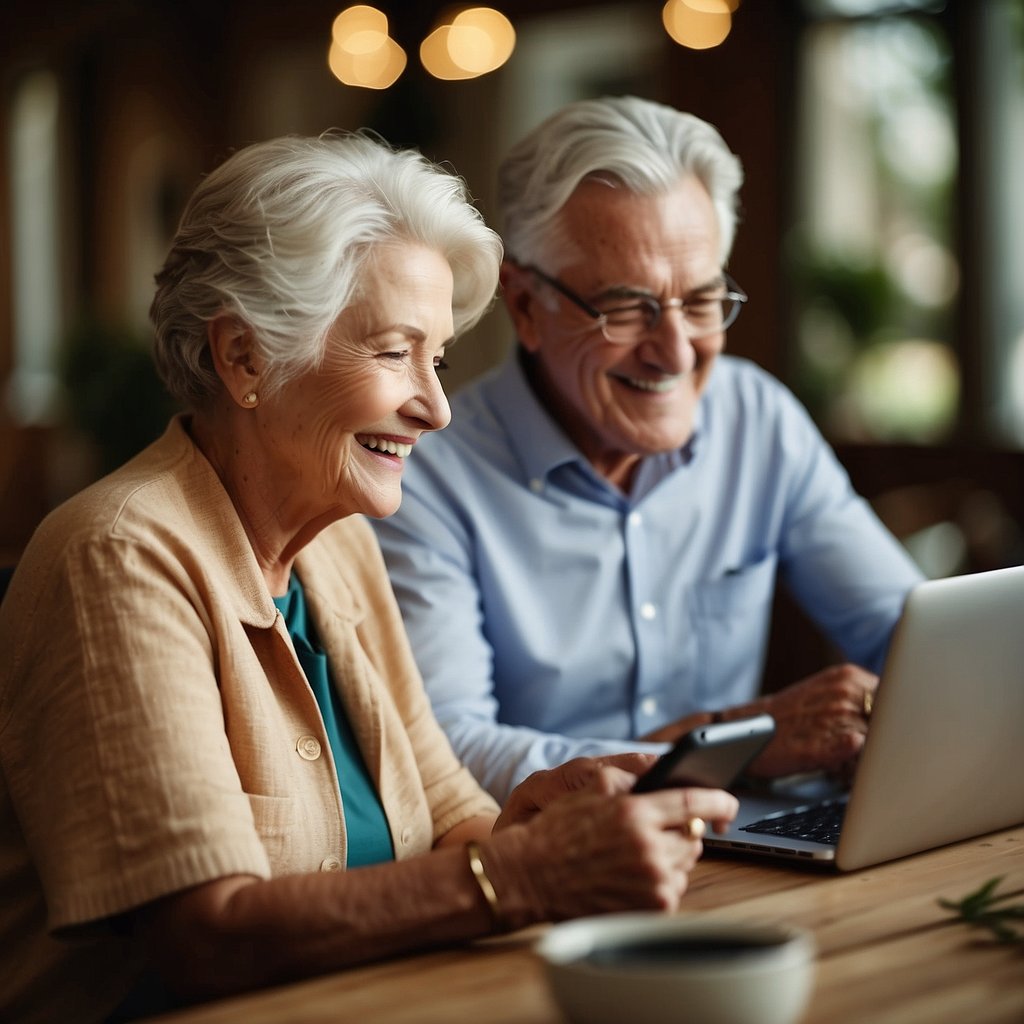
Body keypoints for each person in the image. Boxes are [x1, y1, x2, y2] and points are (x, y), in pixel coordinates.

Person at [0, 132, 739, 1024]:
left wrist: (541, 825)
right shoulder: (120, 555)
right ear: (244, 359)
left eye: (438, 359)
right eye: (395, 353)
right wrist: (525, 874)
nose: (436, 406)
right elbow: (204, 936)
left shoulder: (337, 542)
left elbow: (450, 817)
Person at [372, 95, 925, 804]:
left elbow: (912, 641)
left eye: (701, 302)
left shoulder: (755, 418)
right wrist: (737, 741)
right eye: (628, 308)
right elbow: (450, 749)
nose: (675, 352)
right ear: (524, 305)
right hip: (550, 869)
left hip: (746, 840)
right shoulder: (426, 475)